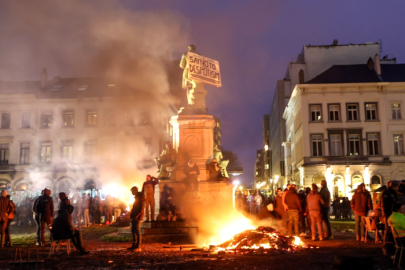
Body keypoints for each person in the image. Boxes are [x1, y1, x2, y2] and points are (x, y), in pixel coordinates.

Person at [128, 186, 145, 251]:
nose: (132, 193)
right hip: (134, 216)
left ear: (135, 191)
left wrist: (136, 216)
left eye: (132, 191)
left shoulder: (140, 197)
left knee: (137, 231)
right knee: (133, 230)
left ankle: (138, 245)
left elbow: (141, 209)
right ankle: (134, 244)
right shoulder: (137, 198)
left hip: (137, 217)